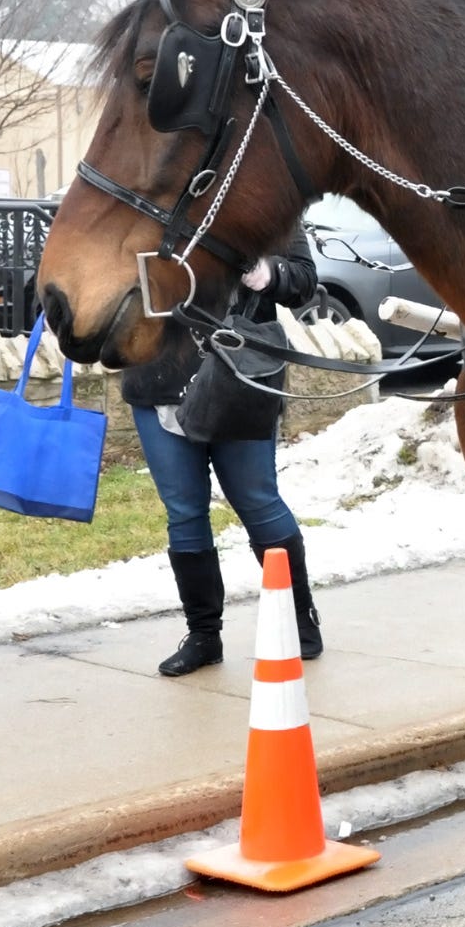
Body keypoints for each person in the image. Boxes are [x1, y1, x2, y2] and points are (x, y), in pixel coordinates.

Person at [126, 230, 326, 676]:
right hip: (157, 374)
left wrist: (265, 271)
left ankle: (299, 618)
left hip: (238, 377)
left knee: (257, 501)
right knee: (184, 512)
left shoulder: (262, 200)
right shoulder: (143, 200)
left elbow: (302, 282)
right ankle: (203, 636)